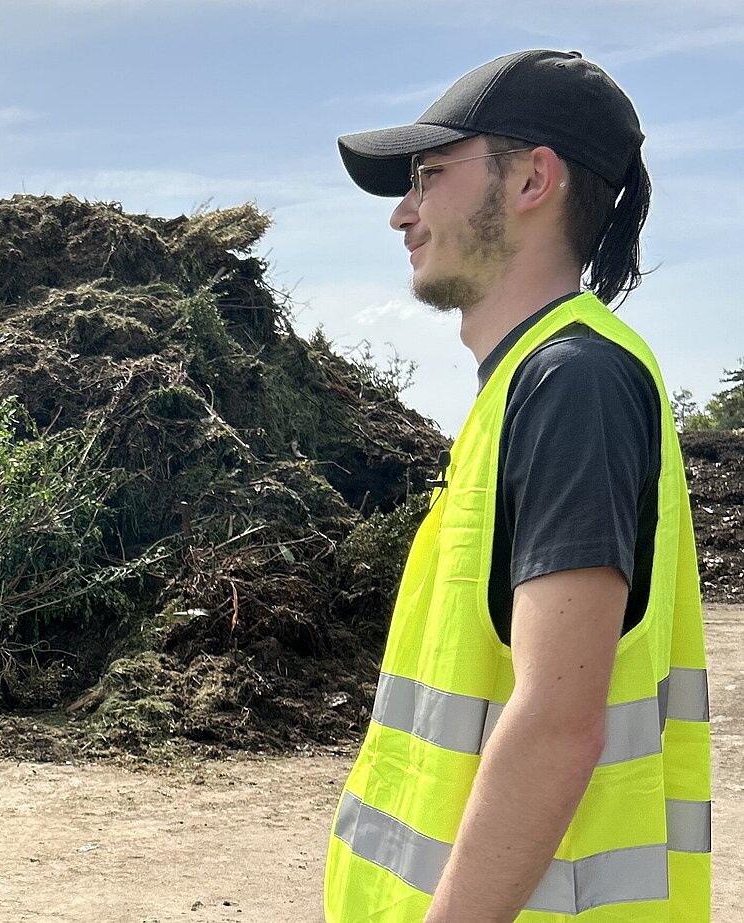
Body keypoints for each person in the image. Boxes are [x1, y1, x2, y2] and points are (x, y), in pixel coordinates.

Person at [324, 50, 711, 923]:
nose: (402, 212)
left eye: (429, 175)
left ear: (534, 177)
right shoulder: (523, 386)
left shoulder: (573, 382)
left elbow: (555, 722)